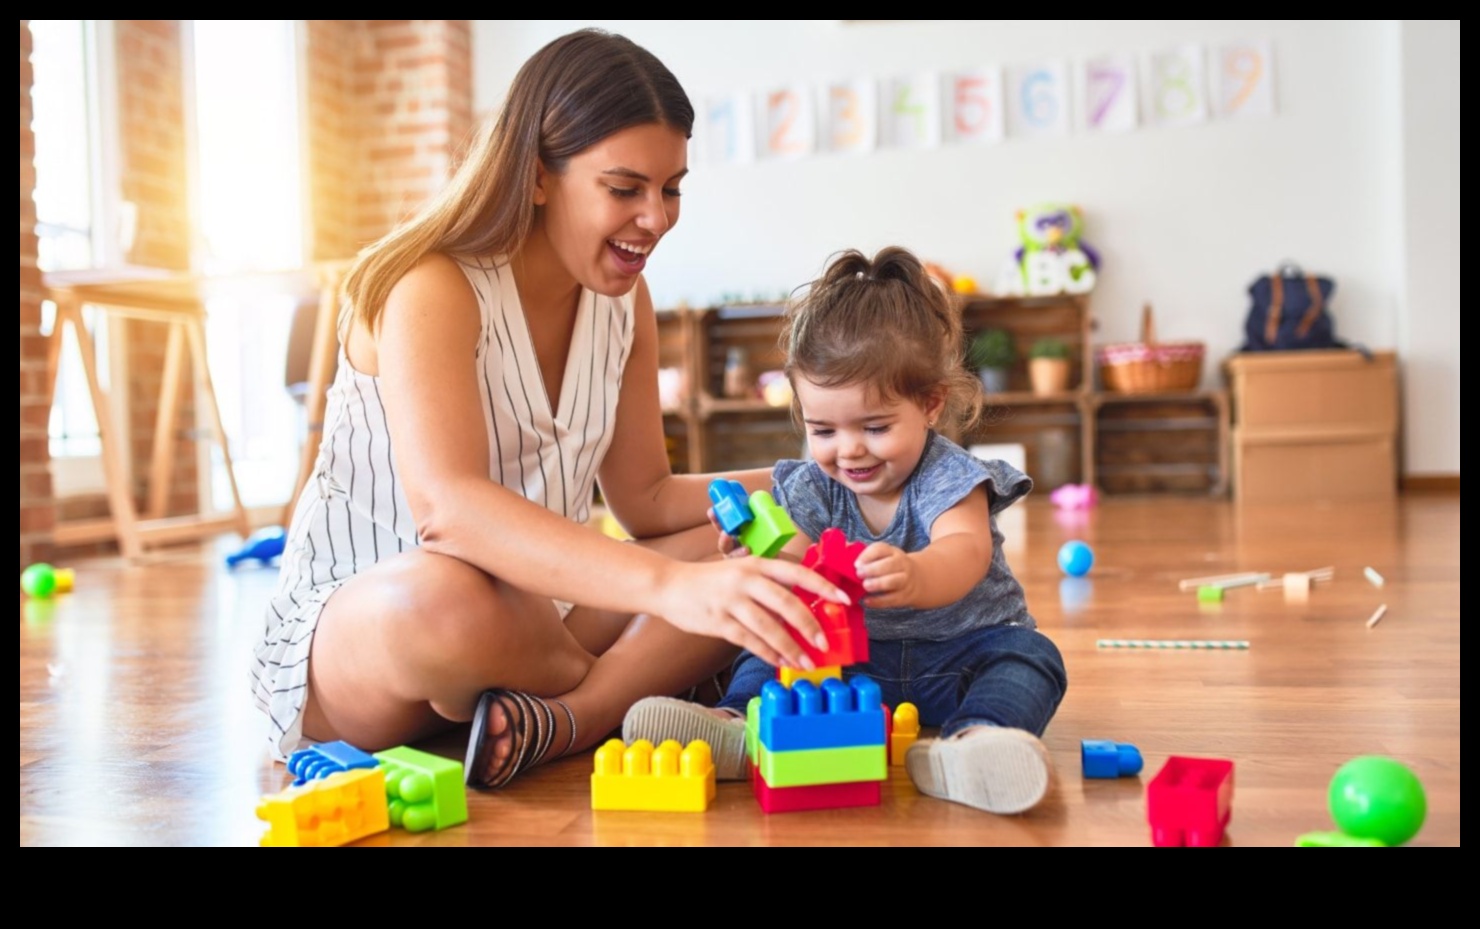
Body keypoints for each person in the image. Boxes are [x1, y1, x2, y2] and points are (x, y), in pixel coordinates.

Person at [250, 28, 851, 791]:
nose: (657, 218)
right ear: (538, 176)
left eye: (671, 189)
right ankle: (616, 693)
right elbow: (449, 511)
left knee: (779, 546)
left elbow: (647, 501)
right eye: (625, 188)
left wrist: (812, 478)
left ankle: (567, 717)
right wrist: (675, 594)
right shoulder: (431, 285)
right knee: (448, 594)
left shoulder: (625, 303)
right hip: (374, 638)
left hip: (540, 617)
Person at [623, 246, 1069, 814]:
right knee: (770, 645)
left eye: (876, 427)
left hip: (959, 653)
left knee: (1031, 657)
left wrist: (915, 572)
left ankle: (974, 743)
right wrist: (758, 546)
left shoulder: (951, 475)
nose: (849, 449)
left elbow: (966, 550)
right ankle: (738, 726)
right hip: (848, 667)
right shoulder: (812, 485)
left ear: (930, 405)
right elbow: (803, 561)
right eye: (823, 430)